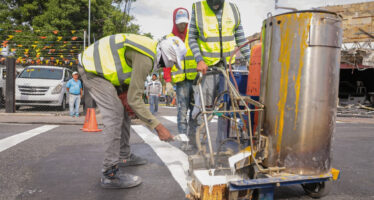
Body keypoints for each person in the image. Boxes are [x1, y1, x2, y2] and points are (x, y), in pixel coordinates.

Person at [78, 34, 186, 189]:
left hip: (101, 71)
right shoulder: (146, 59)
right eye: (171, 62)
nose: (168, 66)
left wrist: (124, 93)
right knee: (115, 114)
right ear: (167, 56)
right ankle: (110, 173)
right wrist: (158, 127)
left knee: (123, 110)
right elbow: (135, 99)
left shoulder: (149, 51)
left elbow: (122, 70)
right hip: (91, 69)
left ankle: (123, 155)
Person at [188, 0, 250, 149]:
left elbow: (240, 37)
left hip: (228, 69)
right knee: (203, 110)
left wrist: (251, 60)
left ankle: (223, 148)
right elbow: (191, 37)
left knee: (227, 111)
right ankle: (196, 146)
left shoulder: (233, 9)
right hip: (208, 69)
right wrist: (200, 60)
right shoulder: (198, 8)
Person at [167, 8, 198, 144]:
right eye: (179, 23)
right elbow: (166, 62)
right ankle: (184, 141)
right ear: (174, 21)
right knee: (182, 112)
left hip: (196, 80)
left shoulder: (193, 37)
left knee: (195, 111)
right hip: (181, 82)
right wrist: (168, 81)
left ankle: (193, 139)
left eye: (184, 23)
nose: (182, 25)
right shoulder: (169, 39)